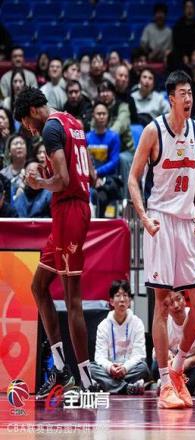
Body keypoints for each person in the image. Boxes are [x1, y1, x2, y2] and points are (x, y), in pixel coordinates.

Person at [128, 70, 195, 409]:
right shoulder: (153, 131)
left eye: (190, 93)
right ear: (171, 98)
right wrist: (144, 217)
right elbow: (133, 178)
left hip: (187, 223)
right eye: (182, 93)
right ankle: (164, 383)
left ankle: (177, 369)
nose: (188, 98)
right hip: (160, 220)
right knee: (161, 303)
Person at [14, 87, 98, 397]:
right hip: (67, 211)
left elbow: (63, 180)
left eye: (26, 123)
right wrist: (48, 172)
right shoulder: (72, 122)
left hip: (70, 212)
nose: (29, 130)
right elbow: (89, 174)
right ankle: (61, 367)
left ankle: (86, 380)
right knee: (38, 286)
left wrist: (40, 182)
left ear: (32, 111)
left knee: (72, 298)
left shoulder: (50, 127)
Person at [91, 280, 150, 395]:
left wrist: (125, 368)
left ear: (130, 301)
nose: (122, 300)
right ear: (111, 301)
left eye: (125, 295)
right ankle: (127, 387)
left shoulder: (137, 323)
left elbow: (139, 354)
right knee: (91, 368)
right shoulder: (103, 326)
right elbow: (99, 357)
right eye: (118, 296)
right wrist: (110, 368)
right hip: (110, 370)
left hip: (129, 369)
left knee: (143, 368)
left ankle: (108, 385)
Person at [152, 291, 195, 395]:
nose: (176, 306)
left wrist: (188, 362)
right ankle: (193, 387)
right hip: (173, 366)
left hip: (192, 365)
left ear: (184, 300)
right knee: (155, 366)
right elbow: (155, 351)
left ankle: (168, 385)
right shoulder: (164, 322)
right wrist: (167, 354)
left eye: (178, 299)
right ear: (166, 307)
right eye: (171, 302)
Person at [86, 103, 121, 217]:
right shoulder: (87, 137)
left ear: (108, 116)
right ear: (93, 116)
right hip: (90, 178)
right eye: (98, 114)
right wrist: (93, 177)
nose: (101, 116)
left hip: (107, 179)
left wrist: (97, 173)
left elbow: (114, 161)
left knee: (101, 198)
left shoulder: (114, 137)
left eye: (104, 114)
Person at [172, 0, 195, 65]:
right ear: (183, 10)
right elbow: (176, 46)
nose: (189, 10)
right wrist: (183, 55)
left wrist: (194, 56)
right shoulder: (177, 27)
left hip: (194, 58)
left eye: (191, 7)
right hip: (180, 58)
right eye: (187, 7)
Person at [1, 134, 28, 199]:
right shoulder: (3, 174)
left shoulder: (32, 170)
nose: (19, 146)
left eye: (22, 143)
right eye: (15, 144)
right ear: (9, 152)